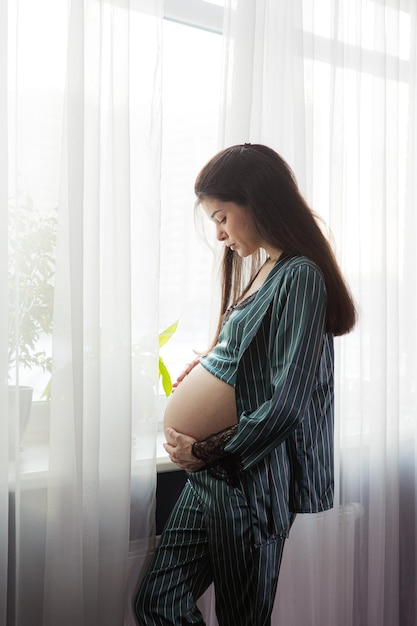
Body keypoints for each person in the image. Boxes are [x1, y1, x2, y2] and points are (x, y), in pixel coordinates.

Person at [134, 143, 356, 626]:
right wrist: (211, 364)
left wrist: (215, 453)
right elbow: (250, 361)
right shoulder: (265, 268)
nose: (218, 234)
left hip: (246, 478)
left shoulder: (300, 275)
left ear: (257, 201)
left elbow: (288, 401)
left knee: (242, 618)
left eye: (221, 218)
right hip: (210, 475)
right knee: (158, 601)